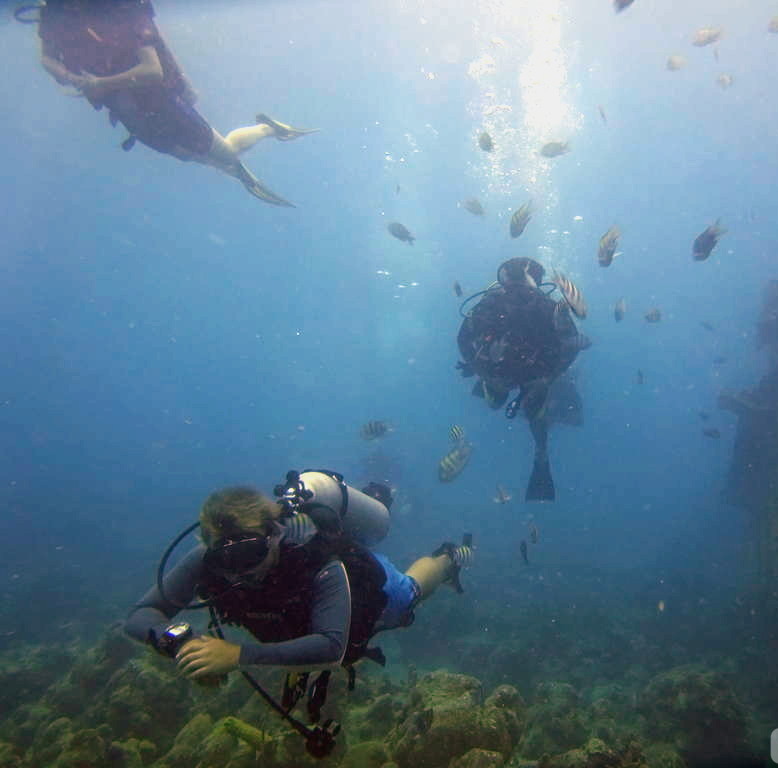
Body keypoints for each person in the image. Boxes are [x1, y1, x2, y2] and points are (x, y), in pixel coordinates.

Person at [124, 470, 471, 754]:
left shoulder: (315, 555)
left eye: (251, 554)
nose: (239, 572)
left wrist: (236, 654)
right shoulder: (208, 558)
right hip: (295, 623)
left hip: (366, 595)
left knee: (409, 593)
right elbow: (142, 615)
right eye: (225, 560)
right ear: (211, 550)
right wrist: (181, 643)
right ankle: (372, 500)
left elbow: (331, 646)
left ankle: (446, 558)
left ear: (275, 535)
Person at [31, 0, 315, 206]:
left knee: (225, 153)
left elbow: (152, 70)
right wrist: (67, 75)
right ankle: (239, 170)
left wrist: (98, 84)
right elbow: (47, 56)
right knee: (188, 155)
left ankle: (265, 131)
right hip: (128, 112)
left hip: (159, 102)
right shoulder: (55, 11)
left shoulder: (123, 9)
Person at [457, 257, 590, 501]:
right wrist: (548, 377)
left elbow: (463, 340)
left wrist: (484, 372)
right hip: (533, 376)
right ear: (537, 281)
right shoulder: (548, 305)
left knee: (500, 401)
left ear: (504, 278)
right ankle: (541, 452)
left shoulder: (490, 302)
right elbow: (572, 345)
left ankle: (538, 445)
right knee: (534, 410)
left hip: (502, 374)